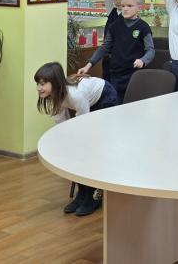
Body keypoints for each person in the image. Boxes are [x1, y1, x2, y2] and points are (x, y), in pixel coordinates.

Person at [35, 62, 119, 216]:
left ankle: (93, 196)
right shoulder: (55, 96)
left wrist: (76, 142)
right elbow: (62, 125)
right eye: (38, 84)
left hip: (105, 96)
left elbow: (83, 127)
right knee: (77, 150)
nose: (38, 88)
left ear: (55, 83)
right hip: (88, 104)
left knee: (90, 149)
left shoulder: (76, 95)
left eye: (42, 84)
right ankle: (82, 194)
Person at [77, 0, 154, 101]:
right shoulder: (114, 26)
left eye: (129, 6)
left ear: (139, 8)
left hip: (135, 75)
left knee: (134, 104)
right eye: (123, 6)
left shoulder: (144, 27)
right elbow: (104, 48)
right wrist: (88, 65)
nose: (125, 9)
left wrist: (143, 60)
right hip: (116, 75)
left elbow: (150, 50)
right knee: (117, 104)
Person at [101, 0, 132, 83]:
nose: (118, 1)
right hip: (108, 59)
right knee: (107, 84)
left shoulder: (128, 14)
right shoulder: (111, 11)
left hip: (123, 60)